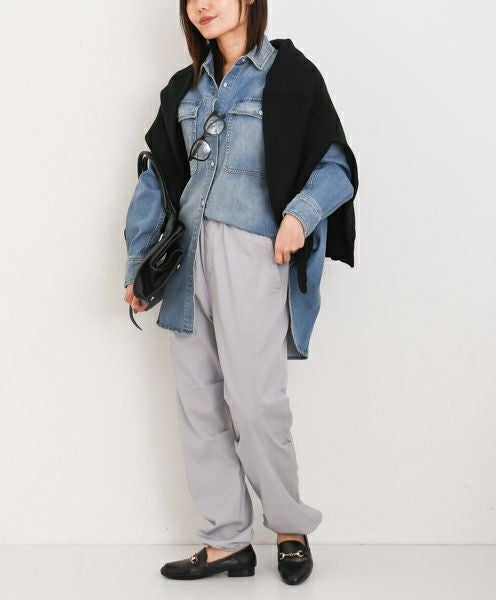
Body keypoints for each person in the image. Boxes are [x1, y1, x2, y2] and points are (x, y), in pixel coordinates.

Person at [123, 0, 357, 586]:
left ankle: (290, 528)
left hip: (252, 253)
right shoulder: (182, 88)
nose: (202, 5)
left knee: (255, 404)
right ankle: (227, 540)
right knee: (199, 404)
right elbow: (157, 178)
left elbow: (336, 166)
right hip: (186, 261)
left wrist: (300, 216)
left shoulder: (291, 76)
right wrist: (137, 265)